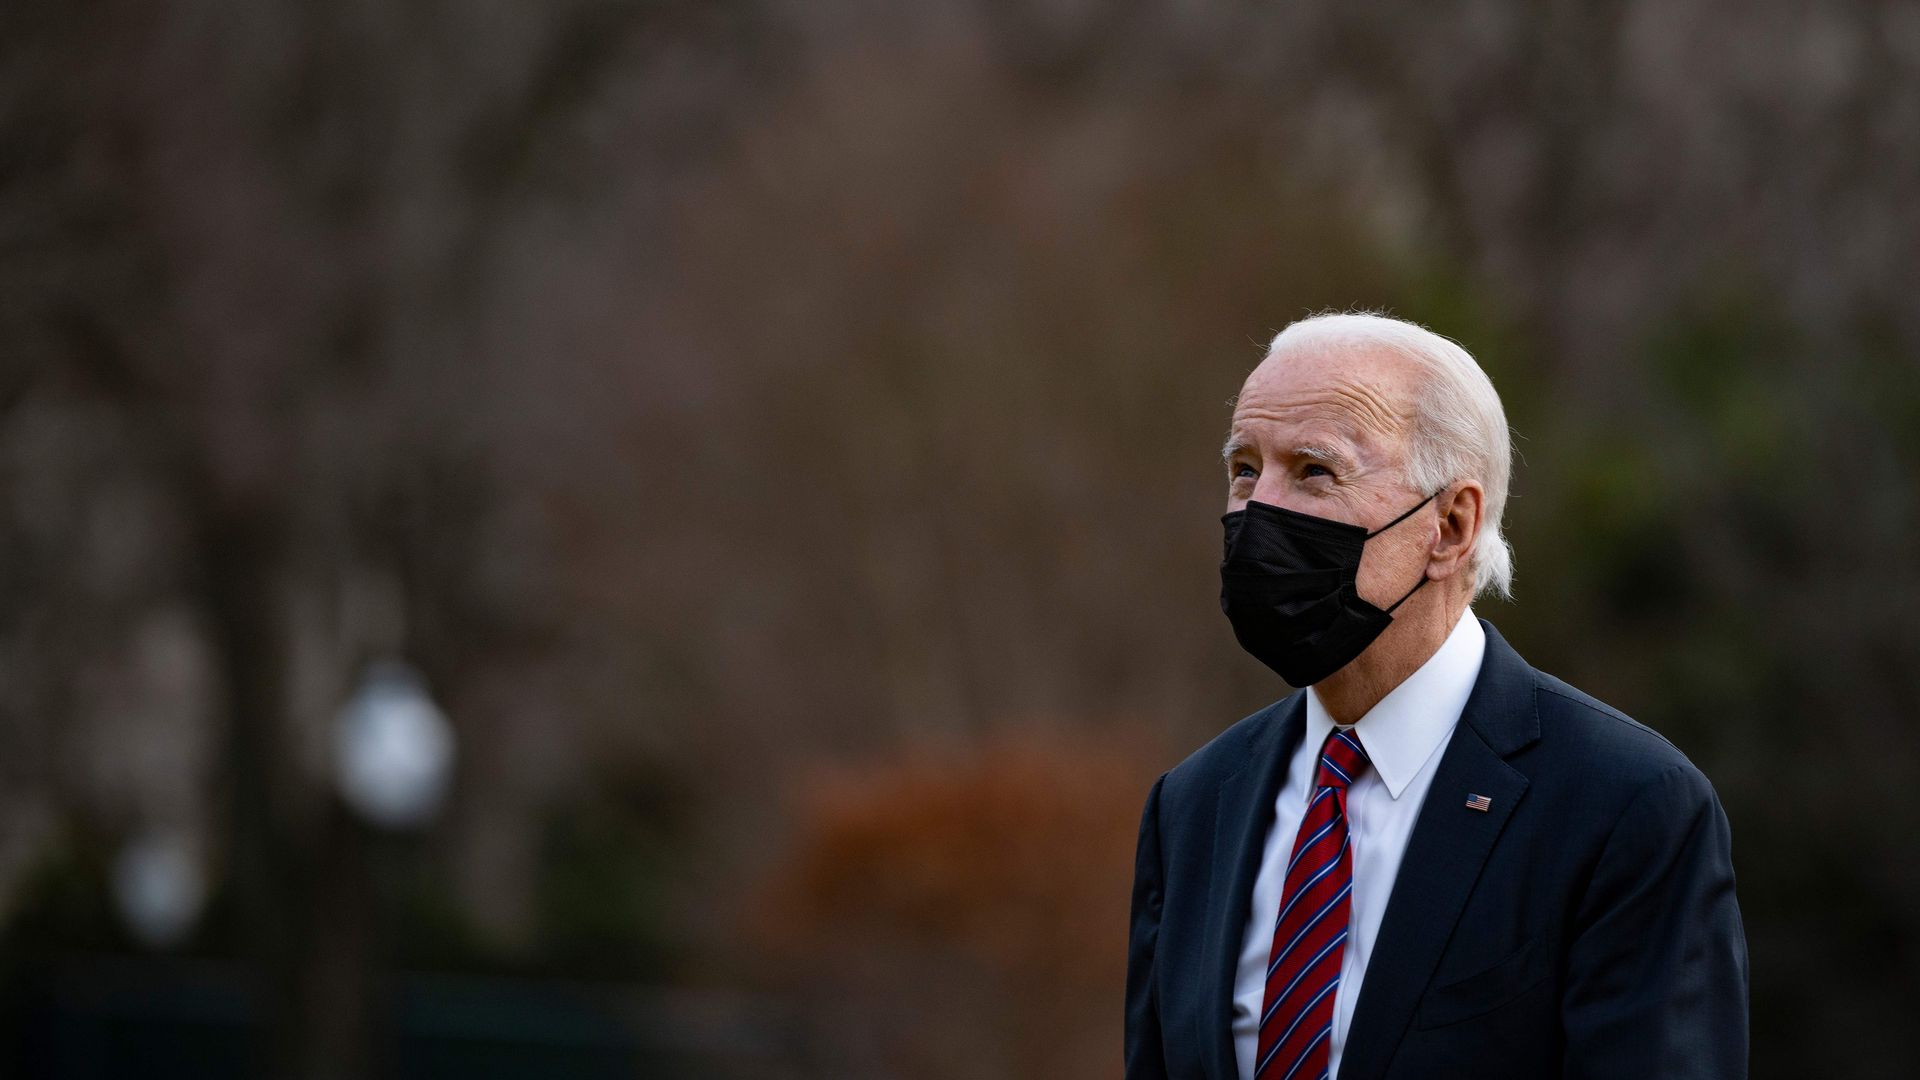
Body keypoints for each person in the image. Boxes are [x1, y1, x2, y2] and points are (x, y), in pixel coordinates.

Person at [1124, 313, 1747, 1080]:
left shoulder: (1624, 806)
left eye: (1314, 471)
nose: (1257, 511)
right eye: (1246, 469)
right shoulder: (1193, 805)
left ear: (1450, 526)